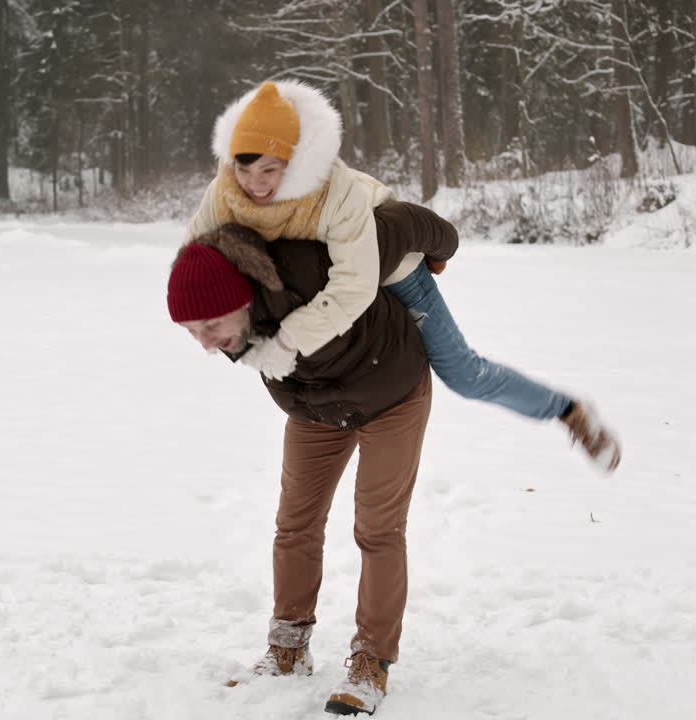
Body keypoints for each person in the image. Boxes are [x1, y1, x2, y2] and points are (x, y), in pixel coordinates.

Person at [187, 80, 621, 471]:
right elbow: (196, 265)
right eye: (244, 170)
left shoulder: (334, 191)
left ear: (294, 160)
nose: (256, 184)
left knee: (463, 374)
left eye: (269, 169)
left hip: (391, 271)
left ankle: (567, 411)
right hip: (325, 286)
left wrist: (285, 342)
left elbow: (357, 283)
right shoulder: (224, 195)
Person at [167, 204, 456, 716]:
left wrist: (443, 246)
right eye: (193, 333)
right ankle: (288, 648)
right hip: (316, 409)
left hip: (391, 392)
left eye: (210, 326)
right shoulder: (235, 326)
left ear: (240, 299)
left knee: (378, 529)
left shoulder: (310, 266)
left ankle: (371, 662)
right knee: (295, 523)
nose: (207, 345)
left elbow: (395, 224)